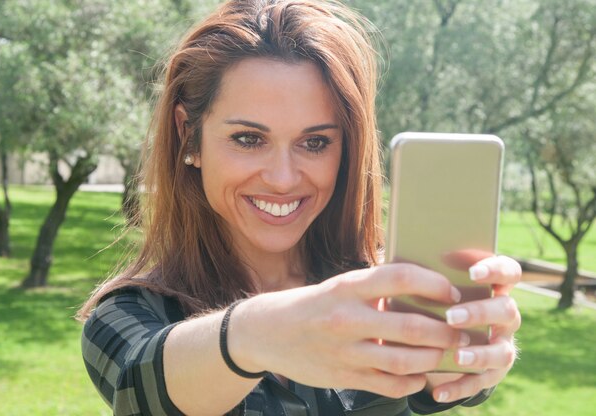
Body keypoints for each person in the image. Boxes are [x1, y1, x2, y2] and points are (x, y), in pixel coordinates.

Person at [78, 1, 522, 415]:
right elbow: (140, 385)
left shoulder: (385, 298)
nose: (283, 178)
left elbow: (444, 377)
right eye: (248, 139)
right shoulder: (128, 314)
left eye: (315, 143)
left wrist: (467, 353)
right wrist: (257, 333)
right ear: (188, 134)